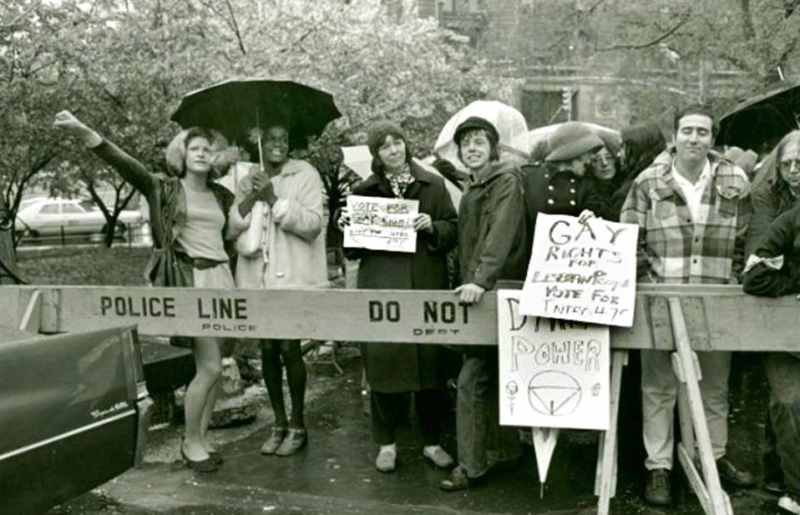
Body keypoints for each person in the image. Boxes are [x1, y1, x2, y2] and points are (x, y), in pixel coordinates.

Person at [54, 110, 238, 473]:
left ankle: (202, 438)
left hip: (223, 280)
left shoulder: (222, 195)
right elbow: (127, 165)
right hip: (190, 283)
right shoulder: (164, 188)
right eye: (194, 148)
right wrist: (86, 131)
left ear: (215, 156)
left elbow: (230, 236)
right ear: (182, 155)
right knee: (210, 366)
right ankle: (190, 442)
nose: (201, 153)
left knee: (218, 367)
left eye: (208, 149)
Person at [620, 104, 755, 506]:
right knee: (658, 386)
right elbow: (629, 240)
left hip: (716, 298)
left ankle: (713, 457)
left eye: (702, 132)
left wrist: (733, 279)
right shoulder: (647, 181)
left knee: (713, 386)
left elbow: (747, 238)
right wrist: (650, 282)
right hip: (662, 298)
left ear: (712, 138)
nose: (694, 138)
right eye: (687, 131)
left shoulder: (735, 178)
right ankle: (658, 466)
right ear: (674, 136)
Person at [337, 121, 457, 473]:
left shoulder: (432, 185)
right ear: (376, 154)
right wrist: (345, 226)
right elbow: (353, 251)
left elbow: (454, 229)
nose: (393, 150)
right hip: (382, 287)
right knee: (384, 364)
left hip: (424, 283)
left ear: (406, 145)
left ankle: (432, 442)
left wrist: (432, 226)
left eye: (397, 143)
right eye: (384, 146)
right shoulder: (364, 190)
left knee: (429, 365)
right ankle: (386, 444)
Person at [228, 124, 328, 457]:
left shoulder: (306, 174)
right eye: (271, 139)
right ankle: (279, 423)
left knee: (289, 347)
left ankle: (299, 425)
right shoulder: (247, 179)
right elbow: (231, 228)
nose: (278, 145)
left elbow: (314, 224)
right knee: (267, 350)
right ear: (257, 142)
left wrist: (274, 200)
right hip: (258, 278)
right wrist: (253, 197)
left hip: (293, 276)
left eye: (284, 139)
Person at [439, 116, 528, 491]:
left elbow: (499, 235)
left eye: (479, 142)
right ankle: (505, 448)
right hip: (483, 291)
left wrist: (478, 280)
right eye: (466, 143)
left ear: (494, 148)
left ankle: (471, 466)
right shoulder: (475, 187)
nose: (472, 148)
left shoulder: (505, 181)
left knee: (471, 379)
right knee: (490, 374)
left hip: (495, 292)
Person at [742, 130, 800, 515]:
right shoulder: (779, 210)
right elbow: (755, 270)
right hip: (781, 320)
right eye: (788, 165)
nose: (795, 171)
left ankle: (781, 475)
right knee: (789, 401)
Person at [521, 121, 605, 251]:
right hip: (530, 261)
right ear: (574, 152)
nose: (591, 158)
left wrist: (593, 220)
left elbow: (597, 220)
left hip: (570, 265)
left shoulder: (585, 185)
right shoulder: (528, 176)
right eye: (588, 151)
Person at [591, 122, 667, 221]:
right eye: (595, 159)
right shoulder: (674, 174)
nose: (619, 154)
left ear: (636, 148)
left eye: (623, 147)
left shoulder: (627, 193)